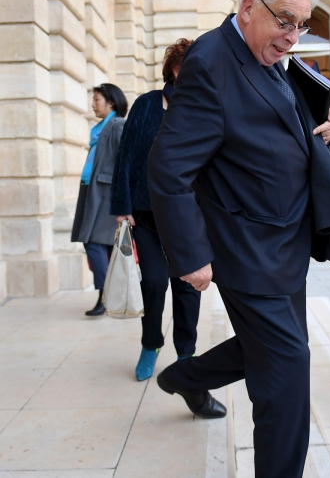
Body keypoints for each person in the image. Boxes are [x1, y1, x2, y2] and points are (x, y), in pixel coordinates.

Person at [147, 0, 330, 478]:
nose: (293, 38)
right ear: (248, 8)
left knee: (275, 349)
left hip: (283, 243)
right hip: (246, 247)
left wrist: (318, 132)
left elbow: (266, 129)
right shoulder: (210, 62)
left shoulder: (265, 52)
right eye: (286, 22)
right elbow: (169, 169)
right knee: (287, 373)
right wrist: (190, 254)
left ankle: (186, 376)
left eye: (303, 25)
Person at [109, 41, 225, 416]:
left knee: (188, 287)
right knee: (155, 283)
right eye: (184, 65)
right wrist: (121, 206)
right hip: (145, 214)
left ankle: (186, 354)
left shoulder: (207, 105)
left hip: (191, 217)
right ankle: (150, 342)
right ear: (173, 70)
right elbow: (125, 156)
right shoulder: (146, 104)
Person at [72, 84, 128, 316]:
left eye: (97, 100)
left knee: (94, 242)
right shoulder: (99, 130)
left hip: (106, 193)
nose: (93, 104)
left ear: (111, 103)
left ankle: (107, 295)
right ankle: (108, 296)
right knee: (100, 244)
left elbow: (126, 162)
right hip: (93, 191)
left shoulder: (116, 126)